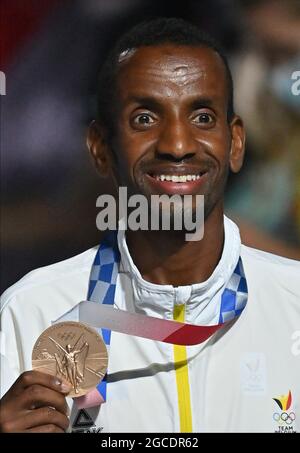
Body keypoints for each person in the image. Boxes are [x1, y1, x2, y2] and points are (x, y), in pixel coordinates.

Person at [0, 18, 299, 434]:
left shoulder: (294, 303)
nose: (177, 144)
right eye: (144, 119)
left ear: (236, 143)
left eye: (202, 117)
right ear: (101, 149)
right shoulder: (29, 313)